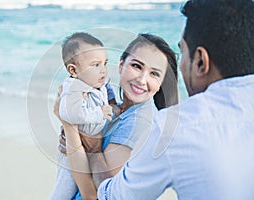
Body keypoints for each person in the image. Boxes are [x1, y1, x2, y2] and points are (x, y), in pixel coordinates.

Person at [92, 0, 254, 199]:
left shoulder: (177, 127)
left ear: (201, 61)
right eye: (136, 66)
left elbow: (114, 197)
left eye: (183, 51)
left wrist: (90, 147)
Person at [54, 33, 178, 199]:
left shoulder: (138, 123)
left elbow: (95, 195)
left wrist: (72, 130)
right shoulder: (121, 109)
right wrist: (76, 140)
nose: (142, 80)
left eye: (154, 74)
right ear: (121, 65)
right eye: (137, 66)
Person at [50, 32, 114, 200]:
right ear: (73, 70)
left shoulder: (98, 81)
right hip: (71, 149)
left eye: (104, 63)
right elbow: (69, 114)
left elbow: (108, 92)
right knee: (64, 190)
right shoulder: (73, 87)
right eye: (95, 65)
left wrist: (115, 106)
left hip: (88, 147)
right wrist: (99, 113)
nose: (103, 70)